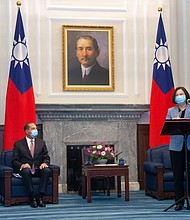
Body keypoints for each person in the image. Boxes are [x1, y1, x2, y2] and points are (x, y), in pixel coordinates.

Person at [12, 122, 51, 208]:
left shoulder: (41, 143)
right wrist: (22, 165)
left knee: (47, 170)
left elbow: (46, 157)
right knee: (25, 171)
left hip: (38, 168)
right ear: (26, 131)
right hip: (27, 169)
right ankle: (32, 196)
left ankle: (40, 196)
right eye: (33, 129)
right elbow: (14, 160)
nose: (36, 130)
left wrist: (45, 163)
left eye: (36, 128)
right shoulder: (18, 144)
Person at [166, 86, 190, 211]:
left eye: (181, 94)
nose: (179, 96)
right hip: (176, 147)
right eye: (177, 94)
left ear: (186, 95)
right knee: (178, 175)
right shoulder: (171, 111)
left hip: (189, 145)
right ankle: (179, 202)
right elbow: (167, 127)